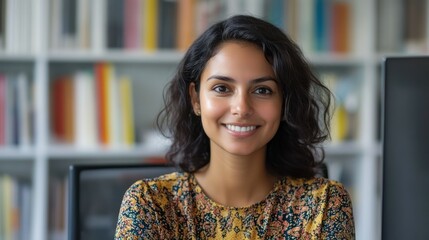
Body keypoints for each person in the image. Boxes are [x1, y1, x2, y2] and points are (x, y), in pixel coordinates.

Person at [115, 15, 355, 239]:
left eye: (262, 90)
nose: (241, 108)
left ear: (285, 103)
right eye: (222, 88)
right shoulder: (150, 204)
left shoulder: (324, 205)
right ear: (196, 99)